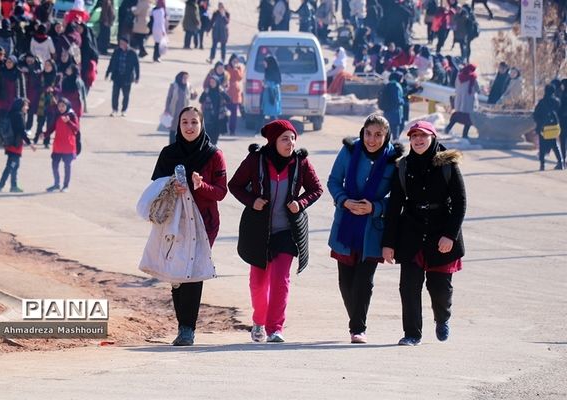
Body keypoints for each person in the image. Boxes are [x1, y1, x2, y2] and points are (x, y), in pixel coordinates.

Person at [228, 119, 323, 343]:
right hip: (259, 231)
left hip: (286, 232)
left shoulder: (300, 162)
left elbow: (316, 189)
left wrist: (300, 203)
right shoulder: (256, 159)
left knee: (281, 279)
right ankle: (259, 322)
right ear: (273, 141)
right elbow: (235, 185)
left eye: (292, 138)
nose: (290, 143)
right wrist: (253, 201)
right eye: (284, 138)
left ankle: (275, 328)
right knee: (258, 283)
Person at [382, 121, 466, 346]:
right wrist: (388, 243)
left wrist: (450, 234)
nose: (418, 140)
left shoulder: (447, 164)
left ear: (433, 137)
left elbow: (460, 202)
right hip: (412, 231)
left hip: (441, 232)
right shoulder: (403, 166)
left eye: (423, 136)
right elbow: (394, 207)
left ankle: (442, 318)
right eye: (414, 136)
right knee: (408, 287)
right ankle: (412, 333)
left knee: (439, 288)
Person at [151, 106, 228, 346]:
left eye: (194, 122)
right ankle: (182, 324)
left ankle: (187, 329)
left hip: (204, 222)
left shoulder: (214, 155)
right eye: (185, 122)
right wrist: (172, 186)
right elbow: (155, 186)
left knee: (193, 271)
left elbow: (221, 192)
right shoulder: (169, 153)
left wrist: (200, 186)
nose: (189, 127)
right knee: (177, 272)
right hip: (174, 220)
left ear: (202, 124)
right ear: (178, 126)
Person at [327, 114, 403, 343]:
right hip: (346, 224)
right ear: (363, 132)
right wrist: (344, 200)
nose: (372, 139)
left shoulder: (395, 160)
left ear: (386, 135)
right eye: (369, 133)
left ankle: (358, 328)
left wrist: (375, 207)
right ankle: (356, 319)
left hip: (373, 228)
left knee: (364, 281)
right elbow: (333, 181)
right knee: (346, 281)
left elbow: (398, 198)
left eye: (378, 135)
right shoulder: (349, 151)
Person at [0, 98, 37, 194]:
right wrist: (30, 144)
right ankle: (0, 186)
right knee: (10, 166)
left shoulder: (12, 113)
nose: (27, 107)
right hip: (15, 145)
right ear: (21, 106)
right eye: (26, 105)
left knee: (15, 166)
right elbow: (21, 132)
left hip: (10, 144)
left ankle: (13, 186)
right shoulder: (19, 115)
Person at [45, 97, 79, 193]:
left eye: (63, 106)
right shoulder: (57, 115)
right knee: (54, 165)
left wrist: (68, 121)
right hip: (58, 145)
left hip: (68, 146)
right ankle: (56, 184)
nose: (61, 108)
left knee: (67, 166)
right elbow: (52, 127)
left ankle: (66, 186)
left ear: (67, 106)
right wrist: (44, 134)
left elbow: (76, 129)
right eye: (59, 106)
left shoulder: (72, 115)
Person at [105, 37, 140, 117]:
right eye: (120, 43)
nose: (121, 45)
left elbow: (137, 66)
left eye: (123, 43)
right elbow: (111, 62)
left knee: (126, 95)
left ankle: (124, 110)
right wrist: (107, 73)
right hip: (117, 76)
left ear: (127, 43)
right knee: (115, 94)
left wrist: (137, 77)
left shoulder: (132, 53)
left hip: (127, 78)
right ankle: (114, 109)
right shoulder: (117, 52)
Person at [533, 84, 564, 171]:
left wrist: (539, 124)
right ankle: (560, 162)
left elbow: (535, 114)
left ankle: (542, 165)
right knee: (554, 145)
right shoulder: (557, 102)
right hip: (553, 127)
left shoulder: (541, 102)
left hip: (543, 127)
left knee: (542, 146)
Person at [445, 63, 479, 138]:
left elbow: (456, 86)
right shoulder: (473, 77)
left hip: (459, 101)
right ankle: (465, 134)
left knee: (457, 116)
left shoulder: (459, 76)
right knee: (469, 119)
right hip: (469, 102)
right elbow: (477, 88)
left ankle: (448, 128)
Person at [164, 71, 198, 144]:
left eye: (187, 78)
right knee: (173, 130)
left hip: (184, 113)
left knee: (182, 131)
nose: (186, 79)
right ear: (180, 78)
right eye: (184, 78)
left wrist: (195, 95)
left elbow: (191, 97)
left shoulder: (188, 86)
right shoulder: (173, 86)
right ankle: (172, 146)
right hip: (174, 112)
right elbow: (169, 98)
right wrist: (166, 109)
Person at [199, 74, 230, 144]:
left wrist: (222, 92)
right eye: (210, 82)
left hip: (218, 118)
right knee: (207, 138)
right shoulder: (207, 91)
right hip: (208, 118)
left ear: (217, 82)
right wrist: (204, 93)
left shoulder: (220, 91)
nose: (212, 84)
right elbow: (200, 101)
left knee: (215, 139)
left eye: (213, 82)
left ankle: (213, 152)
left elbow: (228, 100)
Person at [379, 71, 405, 142]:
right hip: (395, 111)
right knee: (395, 128)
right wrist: (403, 101)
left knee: (388, 127)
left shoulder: (388, 84)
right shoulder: (396, 85)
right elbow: (397, 99)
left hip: (388, 110)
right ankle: (395, 142)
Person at [225, 53, 244, 135]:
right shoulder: (226, 67)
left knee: (234, 113)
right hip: (227, 91)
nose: (235, 62)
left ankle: (232, 130)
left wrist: (236, 69)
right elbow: (227, 76)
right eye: (234, 60)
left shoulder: (239, 68)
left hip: (236, 93)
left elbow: (239, 78)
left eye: (237, 61)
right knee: (224, 111)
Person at [261, 55, 281, 123]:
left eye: (265, 63)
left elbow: (276, 83)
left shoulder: (273, 71)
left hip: (272, 96)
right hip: (269, 96)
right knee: (271, 115)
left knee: (273, 115)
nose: (264, 64)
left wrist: (267, 85)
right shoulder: (268, 70)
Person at [559, 79, 567, 169]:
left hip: (563, 121)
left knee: (563, 141)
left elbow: (560, 109)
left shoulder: (563, 96)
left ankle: (563, 160)